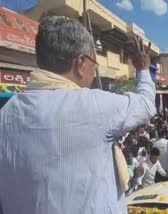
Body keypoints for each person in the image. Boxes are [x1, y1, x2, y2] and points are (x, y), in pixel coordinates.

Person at [0, 17, 156, 214]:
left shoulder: (6, 113)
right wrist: (142, 70)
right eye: (94, 63)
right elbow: (147, 103)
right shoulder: (94, 105)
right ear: (81, 63)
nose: (93, 71)